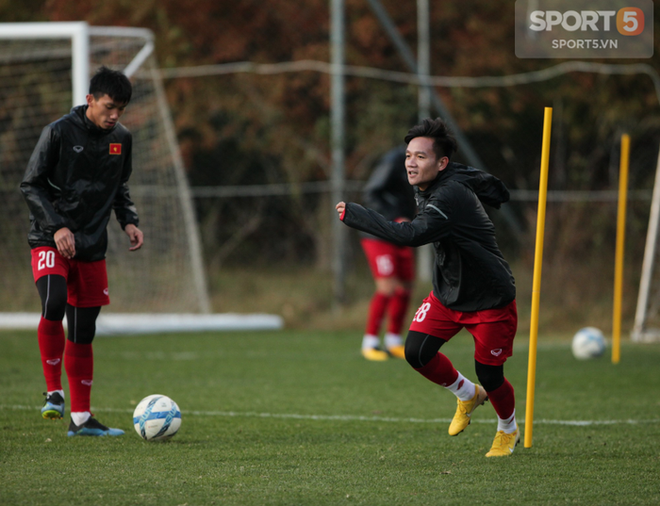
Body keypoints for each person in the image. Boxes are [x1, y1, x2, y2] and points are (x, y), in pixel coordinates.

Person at [336, 118, 519, 457]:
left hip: (489, 297)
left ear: (441, 163)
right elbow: (490, 186)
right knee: (417, 352)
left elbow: (412, 235)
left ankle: (507, 428)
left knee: (491, 376)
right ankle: (467, 394)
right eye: (408, 155)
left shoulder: (448, 194)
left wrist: (359, 216)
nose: (410, 162)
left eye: (420, 156)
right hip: (449, 293)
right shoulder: (437, 179)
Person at [20, 66, 143, 437]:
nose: (115, 115)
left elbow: (119, 187)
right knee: (54, 301)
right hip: (49, 237)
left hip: (91, 244)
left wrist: (129, 221)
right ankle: (54, 391)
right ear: (90, 100)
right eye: (109, 106)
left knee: (84, 331)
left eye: (120, 108)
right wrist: (56, 226)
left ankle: (81, 419)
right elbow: (31, 185)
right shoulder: (58, 132)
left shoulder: (121, 138)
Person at [359, 146, 416, 361]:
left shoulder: (430, 164)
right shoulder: (394, 160)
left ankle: (393, 341)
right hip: (380, 235)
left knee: (405, 288)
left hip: (402, 234)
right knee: (387, 287)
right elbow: (371, 193)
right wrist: (394, 217)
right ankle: (370, 342)